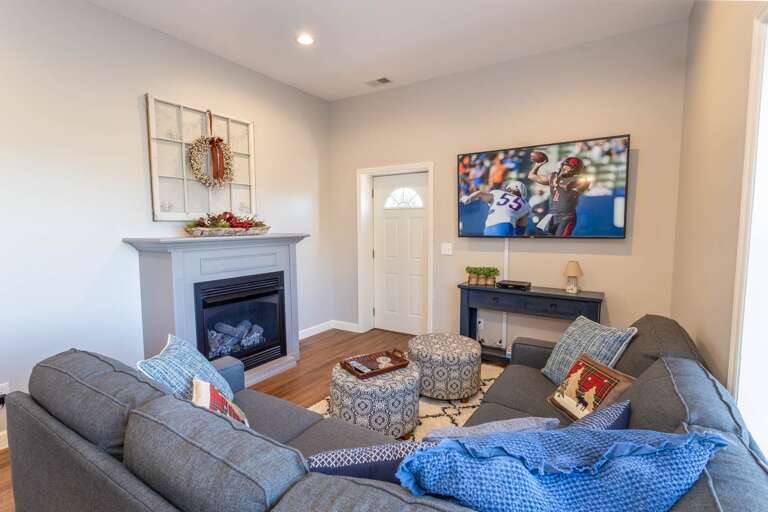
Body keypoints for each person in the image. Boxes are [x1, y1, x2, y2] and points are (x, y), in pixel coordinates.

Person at [528, 155, 590, 237]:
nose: (566, 167)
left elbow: (567, 196)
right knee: (551, 242)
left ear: (575, 170)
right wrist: (538, 165)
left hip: (567, 216)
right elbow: (531, 176)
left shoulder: (579, 180)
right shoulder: (554, 177)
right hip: (552, 215)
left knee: (561, 240)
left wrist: (557, 184)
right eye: (566, 165)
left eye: (570, 167)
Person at [461, 180, 530, 236]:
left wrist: (469, 198)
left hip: (488, 228)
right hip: (506, 227)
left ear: (508, 188)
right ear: (522, 193)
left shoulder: (497, 192)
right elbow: (521, 229)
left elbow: (479, 193)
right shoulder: (525, 204)